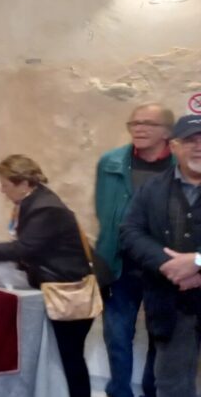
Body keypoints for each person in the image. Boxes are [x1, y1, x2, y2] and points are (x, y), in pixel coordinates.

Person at [0, 154, 93, 397]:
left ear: (24, 184)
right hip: (58, 286)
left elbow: (25, 248)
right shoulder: (35, 202)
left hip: (68, 292)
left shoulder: (45, 209)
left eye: (5, 184)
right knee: (65, 357)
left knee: (69, 358)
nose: (2, 190)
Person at [95, 103, 173, 397]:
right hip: (119, 262)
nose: (139, 129)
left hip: (163, 263)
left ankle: (153, 390)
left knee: (161, 334)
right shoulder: (110, 162)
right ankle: (119, 391)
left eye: (148, 124)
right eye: (134, 123)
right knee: (116, 334)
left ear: (167, 132)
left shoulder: (180, 166)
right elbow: (103, 209)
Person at [121, 114, 201, 397]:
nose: (198, 147)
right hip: (170, 303)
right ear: (174, 146)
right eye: (190, 141)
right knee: (171, 385)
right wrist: (168, 265)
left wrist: (196, 263)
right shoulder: (152, 189)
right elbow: (130, 232)